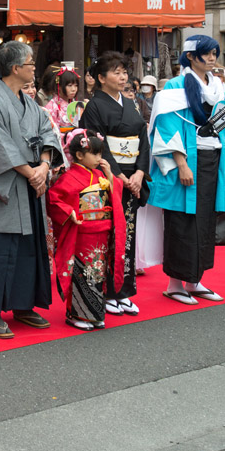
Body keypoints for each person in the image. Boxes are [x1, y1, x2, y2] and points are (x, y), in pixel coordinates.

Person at [148, 35, 225, 306]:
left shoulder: (218, 86)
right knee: (181, 222)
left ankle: (195, 280)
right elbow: (167, 127)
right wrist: (181, 163)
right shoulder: (174, 86)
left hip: (213, 160)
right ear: (191, 56)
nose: (211, 58)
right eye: (206, 53)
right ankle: (174, 284)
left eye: (214, 53)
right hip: (186, 161)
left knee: (206, 220)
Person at [0, 42, 62, 338]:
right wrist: (31, 172)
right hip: (8, 188)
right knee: (1, 249)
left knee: (29, 247)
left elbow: (49, 133)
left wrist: (44, 167)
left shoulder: (29, 103)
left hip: (32, 184)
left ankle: (24, 305)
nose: (34, 67)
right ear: (15, 68)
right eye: (30, 63)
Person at [78, 51, 149, 316]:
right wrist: (118, 176)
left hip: (133, 178)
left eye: (124, 72)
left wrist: (140, 173)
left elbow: (143, 137)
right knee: (108, 233)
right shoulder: (94, 106)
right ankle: (107, 290)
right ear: (100, 78)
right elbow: (98, 144)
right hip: (108, 177)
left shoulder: (131, 103)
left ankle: (124, 290)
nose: (122, 77)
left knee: (128, 233)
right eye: (116, 72)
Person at [47, 131, 126, 330]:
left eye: (101, 154)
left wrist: (109, 176)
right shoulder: (69, 177)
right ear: (80, 155)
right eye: (96, 154)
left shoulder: (100, 175)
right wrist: (69, 212)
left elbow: (114, 194)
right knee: (83, 273)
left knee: (97, 273)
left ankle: (95, 313)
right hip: (81, 234)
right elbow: (53, 199)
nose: (100, 159)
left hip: (101, 231)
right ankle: (76, 314)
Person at [46, 70, 83, 139]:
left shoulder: (75, 104)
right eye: (70, 85)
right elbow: (52, 132)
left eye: (76, 86)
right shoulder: (51, 107)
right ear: (59, 86)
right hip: (62, 142)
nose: (74, 89)